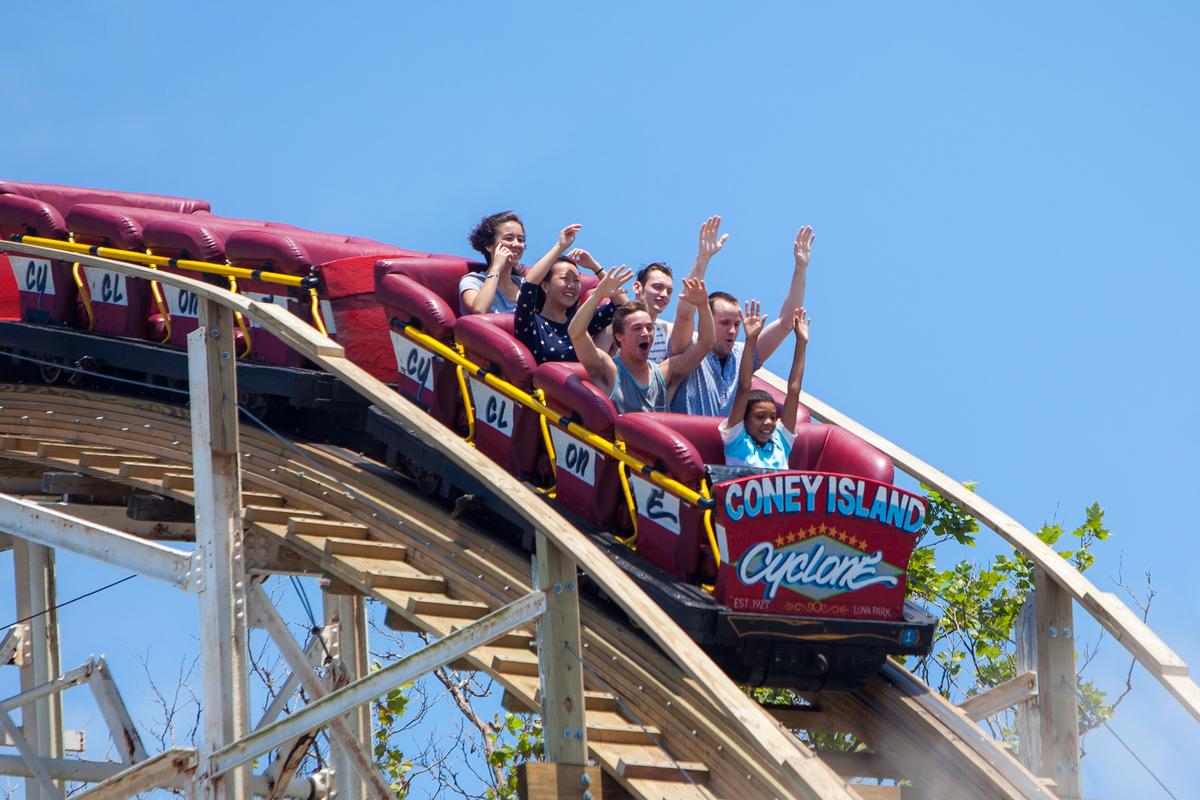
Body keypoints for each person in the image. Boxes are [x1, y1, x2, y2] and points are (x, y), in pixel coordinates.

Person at [668, 216, 814, 417]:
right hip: (684, 434)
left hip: (724, 438)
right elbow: (685, 312)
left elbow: (786, 322)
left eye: (737, 325)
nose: (732, 330)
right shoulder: (688, 345)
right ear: (707, 320)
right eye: (724, 323)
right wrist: (703, 257)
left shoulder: (741, 355)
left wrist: (801, 268)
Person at [569, 268, 714, 414]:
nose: (645, 333)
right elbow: (576, 333)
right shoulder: (608, 369)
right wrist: (598, 295)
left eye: (649, 328)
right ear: (619, 336)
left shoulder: (665, 373)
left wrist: (703, 305)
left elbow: (706, 343)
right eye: (637, 328)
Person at [720, 303, 810, 469]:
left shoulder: (780, 440)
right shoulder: (736, 439)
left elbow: (794, 391)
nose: (768, 422)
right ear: (745, 420)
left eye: (773, 417)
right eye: (760, 417)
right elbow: (744, 387)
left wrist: (801, 343)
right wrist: (751, 340)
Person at [513, 225, 620, 364]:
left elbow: (622, 307)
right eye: (565, 279)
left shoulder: (580, 324)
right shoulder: (530, 322)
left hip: (582, 378)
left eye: (577, 280)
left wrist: (595, 267)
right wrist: (560, 246)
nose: (572, 285)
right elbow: (529, 284)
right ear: (544, 285)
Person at [461, 211, 527, 315]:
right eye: (509, 238)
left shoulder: (523, 284)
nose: (516, 244)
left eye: (520, 240)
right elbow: (479, 310)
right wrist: (496, 267)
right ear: (489, 245)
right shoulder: (473, 281)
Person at [631, 262, 675, 364]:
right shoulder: (616, 325)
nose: (665, 294)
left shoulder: (666, 331)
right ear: (637, 288)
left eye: (669, 291)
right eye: (658, 287)